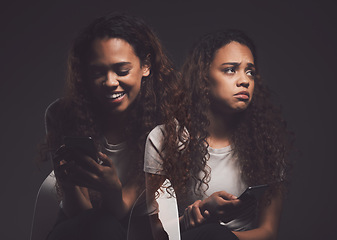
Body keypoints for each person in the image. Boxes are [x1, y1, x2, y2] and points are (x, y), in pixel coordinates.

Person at [40, 12, 177, 240]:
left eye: (122, 71)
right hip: (80, 227)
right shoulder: (61, 115)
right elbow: (77, 210)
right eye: (98, 72)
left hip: (137, 228)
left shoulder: (164, 127)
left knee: (106, 226)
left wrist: (112, 189)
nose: (111, 82)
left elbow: (127, 211)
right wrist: (69, 180)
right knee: (99, 226)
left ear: (146, 66)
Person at [144, 30, 292, 240]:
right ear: (203, 78)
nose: (244, 80)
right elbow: (155, 234)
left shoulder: (267, 144)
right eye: (230, 70)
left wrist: (220, 236)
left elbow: (268, 232)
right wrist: (192, 219)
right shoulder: (164, 139)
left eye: (250, 71)